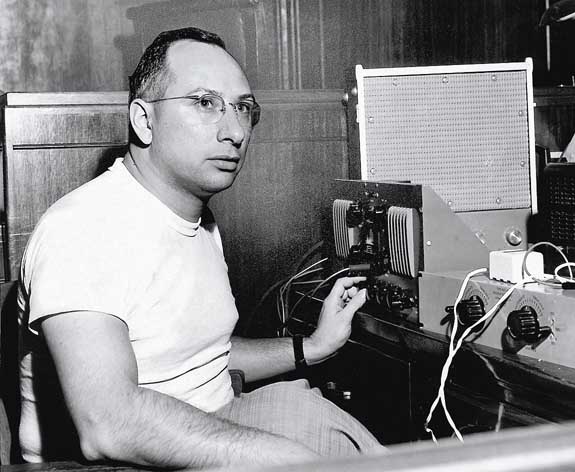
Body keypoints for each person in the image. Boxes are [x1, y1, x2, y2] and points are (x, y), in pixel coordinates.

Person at [17, 27, 384, 469]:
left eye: (243, 108)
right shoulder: (83, 229)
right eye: (204, 102)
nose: (234, 131)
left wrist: (312, 346)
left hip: (211, 421)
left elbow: (200, 356)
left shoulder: (197, 219)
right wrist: (278, 455)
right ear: (143, 120)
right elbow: (108, 424)